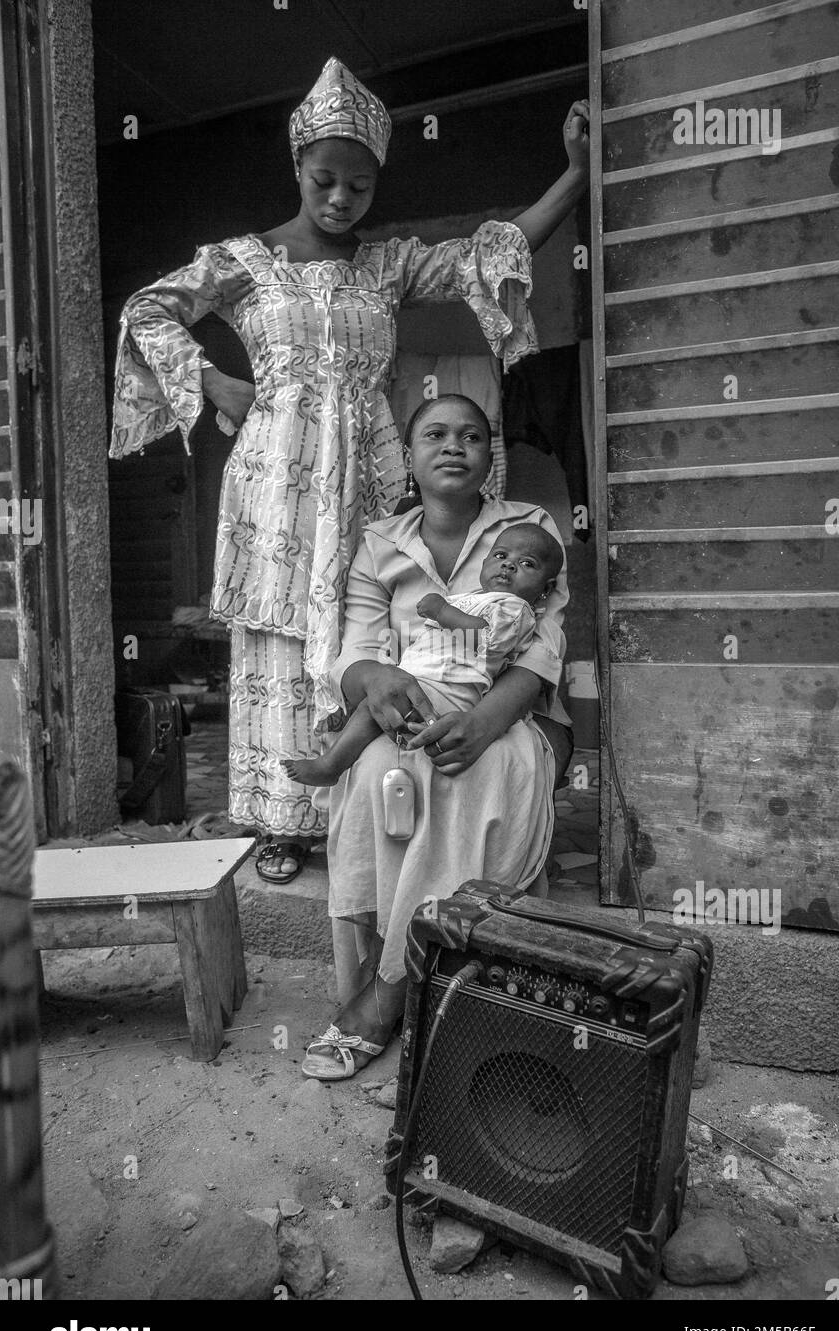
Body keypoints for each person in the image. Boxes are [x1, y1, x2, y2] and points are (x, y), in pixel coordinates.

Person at [110, 55, 589, 884]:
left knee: (363, 625)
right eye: (325, 180)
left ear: (376, 186)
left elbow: (492, 253)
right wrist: (211, 377)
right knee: (281, 630)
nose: (339, 200)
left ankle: (366, 809)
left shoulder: (389, 265)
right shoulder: (241, 261)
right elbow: (148, 308)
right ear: (298, 167)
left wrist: (576, 178)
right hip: (276, 474)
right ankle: (279, 821)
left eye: (359, 187)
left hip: (368, 467)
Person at [302, 395, 571, 1080]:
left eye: (472, 435)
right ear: (411, 456)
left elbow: (543, 651)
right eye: (435, 434)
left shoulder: (530, 527)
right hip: (410, 707)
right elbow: (356, 649)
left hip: (510, 713)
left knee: (473, 768)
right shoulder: (380, 542)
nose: (454, 446)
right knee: (376, 772)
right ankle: (417, 974)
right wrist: (375, 677)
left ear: (490, 455)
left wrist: (483, 723)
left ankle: (395, 990)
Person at [283, 521, 564, 786]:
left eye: (527, 564)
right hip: (430, 681)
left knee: (371, 709)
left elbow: (488, 640)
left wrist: (443, 612)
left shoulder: (516, 609)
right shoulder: (479, 598)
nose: (509, 565)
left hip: (450, 689)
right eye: (500, 555)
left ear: (546, 588)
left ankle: (331, 766)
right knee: (374, 708)